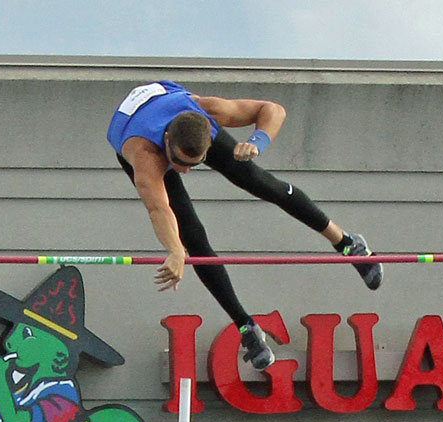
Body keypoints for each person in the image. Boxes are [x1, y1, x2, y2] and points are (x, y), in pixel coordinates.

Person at [107, 80, 383, 370]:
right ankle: (246, 327)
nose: (186, 170)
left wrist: (257, 142)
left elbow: (272, 109)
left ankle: (347, 243)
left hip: (170, 106)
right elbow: (158, 208)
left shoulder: (206, 110)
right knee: (192, 238)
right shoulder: (144, 156)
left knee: (258, 181)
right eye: (179, 162)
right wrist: (175, 251)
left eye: (195, 163)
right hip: (132, 127)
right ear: (167, 143)